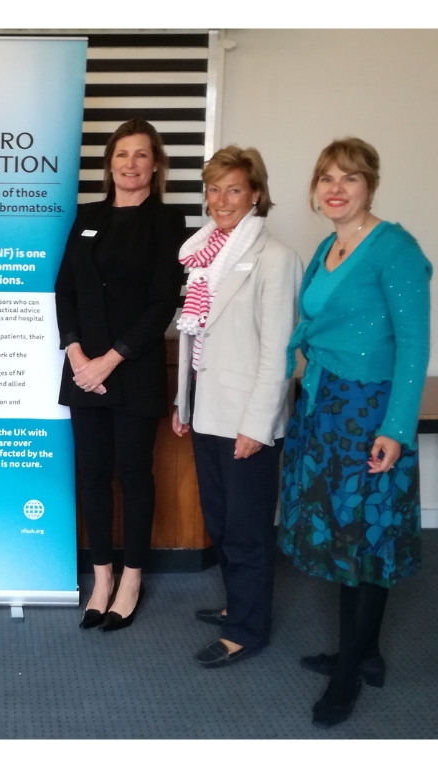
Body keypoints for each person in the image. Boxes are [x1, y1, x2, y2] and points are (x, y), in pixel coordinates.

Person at [279, 137, 431, 727]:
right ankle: (364, 652)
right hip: (326, 404)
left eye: (349, 178)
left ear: (370, 186)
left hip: (369, 411)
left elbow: (414, 346)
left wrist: (396, 428)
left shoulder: (394, 248)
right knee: (349, 530)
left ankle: (348, 672)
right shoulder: (330, 246)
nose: (336, 189)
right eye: (326, 179)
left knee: (365, 535)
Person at [171, 146, 302, 667]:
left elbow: (278, 352)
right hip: (208, 410)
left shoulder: (276, 258)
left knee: (247, 530)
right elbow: (195, 337)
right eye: (214, 189)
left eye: (234, 190)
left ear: (256, 195)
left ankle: (247, 630)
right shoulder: (204, 253)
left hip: (247, 418)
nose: (221, 200)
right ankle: (237, 604)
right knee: (221, 522)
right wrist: (183, 401)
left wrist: (258, 425)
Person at [54, 118, 186, 631]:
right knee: (91, 474)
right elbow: (65, 289)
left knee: (133, 476)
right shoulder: (88, 216)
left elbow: (162, 302)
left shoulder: (167, 221)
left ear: (156, 165)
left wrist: (110, 360)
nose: (131, 164)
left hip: (133, 369)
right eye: (122, 154)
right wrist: (76, 354)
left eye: (141, 155)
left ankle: (132, 578)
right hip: (82, 368)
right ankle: (102, 578)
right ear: (109, 163)